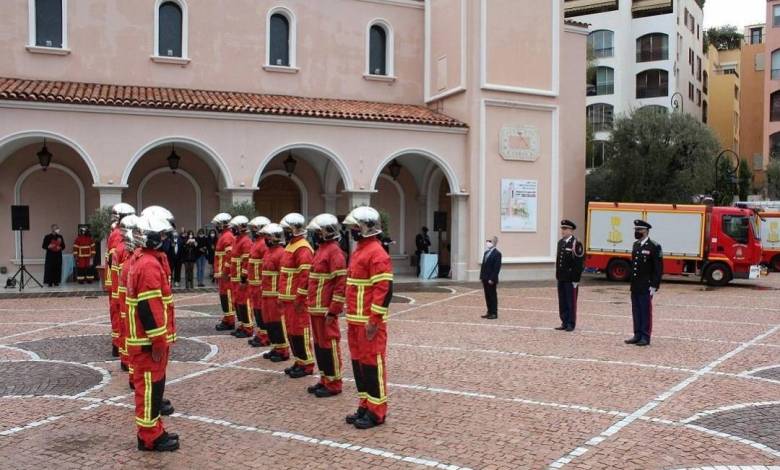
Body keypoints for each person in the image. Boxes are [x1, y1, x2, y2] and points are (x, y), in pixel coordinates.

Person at [126, 214, 180, 452]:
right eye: (163, 236)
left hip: (145, 340)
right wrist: (158, 341)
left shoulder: (145, 259)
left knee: (154, 388)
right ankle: (149, 437)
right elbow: (149, 308)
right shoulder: (148, 264)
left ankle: (154, 428)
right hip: (148, 342)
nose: (166, 240)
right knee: (149, 389)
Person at [343, 206, 393, 429]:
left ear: (365, 228)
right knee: (360, 365)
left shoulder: (376, 253)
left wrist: (374, 321)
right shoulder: (359, 250)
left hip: (368, 323)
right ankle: (365, 404)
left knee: (373, 364)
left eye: (355, 227)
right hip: (355, 320)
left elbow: (384, 290)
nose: (352, 230)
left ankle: (377, 411)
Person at [305, 213, 347, 398]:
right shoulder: (321, 249)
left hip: (326, 310)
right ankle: (324, 378)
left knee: (329, 344)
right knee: (320, 345)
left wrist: (334, 310)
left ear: (326, 233)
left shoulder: (334, 252)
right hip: (315, 308)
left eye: (318, 232)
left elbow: (340, 283)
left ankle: (334, 382)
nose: (315, 235)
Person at [278, 213, 315, 379]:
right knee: (292, 332)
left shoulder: (303, 248)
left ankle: (307, 363)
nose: (284, 232)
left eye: (287, 229)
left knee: (301, 331)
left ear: (294, 229)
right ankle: (299, 360)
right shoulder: (291, 245)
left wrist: (300, 299)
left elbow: (304, 276)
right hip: (288, 299)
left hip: (296, 300)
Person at [625, 220, 663, 347]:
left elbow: (658, 268)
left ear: (646, 231)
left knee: (645, 311)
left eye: (640, 230)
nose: (637, 232)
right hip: (635, 285)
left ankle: (645, 336)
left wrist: (654, 285)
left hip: (646, 285)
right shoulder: (635, 245)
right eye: (636, 230)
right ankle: (637, 334)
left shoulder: (654, 246)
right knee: (636, 310)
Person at [107, 203, 136, 357]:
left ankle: (117, 345)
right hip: (120, 284)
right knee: (121, 314)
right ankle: (120, 346)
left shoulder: (115, 233)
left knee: (117, 313)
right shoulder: (119, 235)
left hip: (115, 282)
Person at [260, 223, 290, 362]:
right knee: (269, 322)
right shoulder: (268, 251)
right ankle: (275, 346)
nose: (265, 239)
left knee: (277, 322)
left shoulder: (280, 253)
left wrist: (281, 294)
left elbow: (283, 275)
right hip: (266, 293)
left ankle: (283, 350)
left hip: (274, 294)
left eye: (268, 236)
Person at [555, 220, 585, 332]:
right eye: (562, 228)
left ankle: (571, 323)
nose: (562, 231)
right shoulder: (561, 243)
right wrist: (557, 275)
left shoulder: (576, 243)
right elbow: (559, 261)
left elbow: (578, 263)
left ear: (571, 230)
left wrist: (576, 280)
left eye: (565, 229)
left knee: (570, 301)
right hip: (561, 277)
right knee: (562, 301)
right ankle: (564, 321)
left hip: (571, 279)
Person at [247, 216, 271, 348]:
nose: (253, 231)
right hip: (254, 282)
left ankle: (265, 335)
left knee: (262, 311)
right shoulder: (256, 242)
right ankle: (261, 333)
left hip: (260, 283)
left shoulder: (263, 244)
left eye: (255, 228)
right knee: (257, 310)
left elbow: (266, 264)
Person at [228, 216, 254, 338]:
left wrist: (243, 277)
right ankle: (243, 325)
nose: (232, 229)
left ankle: (248, 327)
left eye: (234, 227)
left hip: (240, 279)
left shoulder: (246, 241)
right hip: (235, 277)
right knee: (237, 302)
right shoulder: (237, 239)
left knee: (244, 302)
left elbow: (247, 261)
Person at [213, 213, 236, 331]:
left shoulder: (227, 237)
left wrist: (225, 272)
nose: (216, 227)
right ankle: (227, 318)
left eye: (217, 224)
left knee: (227, 297)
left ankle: (230, 321)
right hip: (222, 274)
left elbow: (229, 256)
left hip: (225, 274)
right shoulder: (224, 235)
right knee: (224, 297)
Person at [479, 236, 502, 320]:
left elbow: (496, 268)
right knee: (487, 296)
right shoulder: (486, 253)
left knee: (492, 296)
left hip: (491, 279)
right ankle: (489, 312)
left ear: (494, 243)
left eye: (490, 241)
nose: (488, 243)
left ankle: (494, 313)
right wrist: (481, 277)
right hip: (485, 278)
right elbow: (483, 266)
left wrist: (492, 278)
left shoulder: (497, 254)